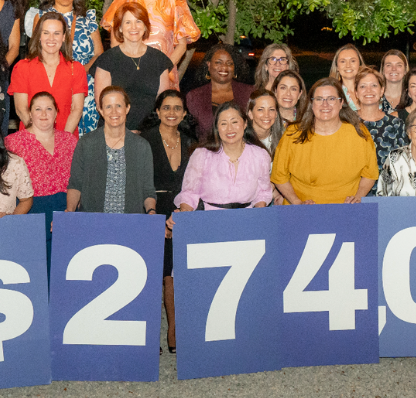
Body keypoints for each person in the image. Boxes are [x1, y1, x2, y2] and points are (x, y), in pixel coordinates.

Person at [139, 90, 196, 353]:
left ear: (184, 113)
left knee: (174, 274)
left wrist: (180, 215)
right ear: (157, 111)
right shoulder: (145, 141)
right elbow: (141, 182)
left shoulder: (192, 143)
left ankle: (174, 333)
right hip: (150, 209)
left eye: (177, 108)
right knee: (152, 274)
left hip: (182, 210)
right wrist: (155, 218)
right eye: (166, 107)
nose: (171, 113)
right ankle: (150, 334)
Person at [271, 78, 378, 205]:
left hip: (346, 209)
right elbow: (279, 177)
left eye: (331, 99)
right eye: (319, 99)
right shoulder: (293, 133)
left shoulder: (359, 133)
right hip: (302, 210)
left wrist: (358, 197)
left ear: (341, 103)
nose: (325, 104)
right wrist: (297, 202)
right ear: (311, 104)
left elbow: (370, 174)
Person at [65, 86, 157, 213]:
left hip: (130, 221)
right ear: (101, 110)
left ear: (127, 108)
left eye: (118, 106)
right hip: (93, 220)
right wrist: (69, 211)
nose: (114, 112)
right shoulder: (86, 143)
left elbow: (148, 190)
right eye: (108, 107)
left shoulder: (142, 146)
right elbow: (75, 184)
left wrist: (151, 211)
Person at [4, 92, 78, 246]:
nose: (44, 114)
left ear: (56, 114)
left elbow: (80, 180)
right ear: (30, 114)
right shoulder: (12, 143)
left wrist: (70, 214)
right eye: (38, 109)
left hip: (66, 213)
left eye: (49, 109)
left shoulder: (70, 141)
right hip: (30, 213)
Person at [171, 101, 273, 212]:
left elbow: (262, 193)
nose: (229, 129)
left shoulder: (260, 155)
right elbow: (189, 194)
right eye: (223, 124)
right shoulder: (202, 155)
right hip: (210, 217)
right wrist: (184, 215)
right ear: (217, 128)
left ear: (245, 124)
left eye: (234, 122)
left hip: (246, 217)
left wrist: (259, 214)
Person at [24, 0, 104, 133]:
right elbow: (36, 51)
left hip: (85, 83)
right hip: (54, 82)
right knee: (56, 127)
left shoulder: (87, 19)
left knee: (88, 133)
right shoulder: (42, 16)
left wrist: (79, 71)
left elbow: (99, 53)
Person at [93, 2, 174, 130]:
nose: (134, 27)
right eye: (128, 22)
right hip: (114, 130)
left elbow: (163, 104)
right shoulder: (106, 60)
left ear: (145, 26)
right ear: (120, 28)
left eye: (138, 21)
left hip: (149, 132)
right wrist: (127, 135)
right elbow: (102, 104)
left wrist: (145, 133)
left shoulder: (159, 60)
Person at [11, 11, 88, 133]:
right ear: (39, 36)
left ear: (63, 37)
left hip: (66, 136)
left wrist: (63, 140)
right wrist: (39, 136)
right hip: (32, 137)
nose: (51, 38)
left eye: (56, 33)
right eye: (46, 33)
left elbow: (77, 109)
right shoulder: (22, 67)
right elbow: (21, 109)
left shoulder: (76, 69)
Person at [100, 0, 200, 67]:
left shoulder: (175, 2)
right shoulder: (124, 1)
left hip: (164, 71)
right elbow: (115, 42)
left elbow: (182, 45)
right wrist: (127, 67)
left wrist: (164, 69)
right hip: (129, 69)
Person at [186, 43, 254, 140]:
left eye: (229, 63)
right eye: (218, 62)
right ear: (209, 65)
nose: (224, 67)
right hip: (207, 148)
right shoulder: (194, 97)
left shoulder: (249, 92)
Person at [355, 68, 406, 170]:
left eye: (374, 85)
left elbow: (403, 163)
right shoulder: (346, 121)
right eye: (363, 86)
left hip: (387, 180)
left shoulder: (396, 124)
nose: (368, 90)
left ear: (382, 91)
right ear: (356, 93)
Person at [246, 89, 284, 153]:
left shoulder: (283, 139)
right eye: (260, 109)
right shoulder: (241, 141)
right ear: (250, 114)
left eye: (271, 109)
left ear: (276, 114)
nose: (266, 115)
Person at [329, 44, 365, 111]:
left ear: (359, 64)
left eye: (353, 61)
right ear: (337, 67)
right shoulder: (332, 93)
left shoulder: (371, 89)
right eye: (343, 61)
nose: (348, 65)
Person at [380, 50, 409, 114]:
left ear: (405, 70)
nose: (393, 69)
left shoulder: (411, 97)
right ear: (383, 70)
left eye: (399, 65)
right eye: (388, 65)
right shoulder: (375, 97)